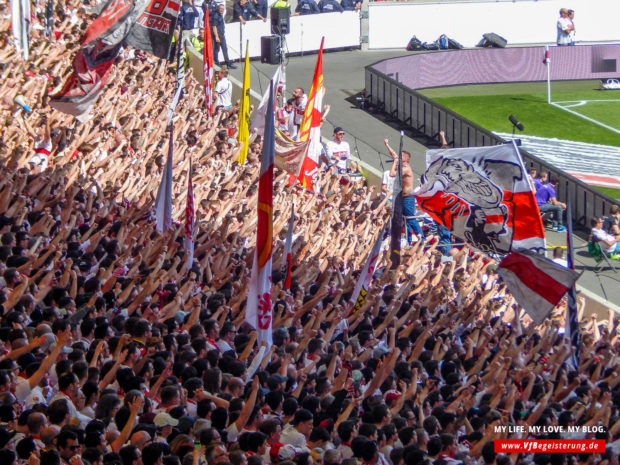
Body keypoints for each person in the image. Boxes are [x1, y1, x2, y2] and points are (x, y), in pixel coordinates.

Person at [384, 138, 424, 243]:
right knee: (406, 220)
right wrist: (387, 145)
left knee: (411, 219)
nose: (398, 157)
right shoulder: (402, 165)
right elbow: (393, 155)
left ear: (406, 159)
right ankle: (409, 240)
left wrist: (395, 162)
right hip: (402, 197)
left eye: (401, 156)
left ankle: (422, 238)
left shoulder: (406, 168)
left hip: (407, 197)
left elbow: (392, 174)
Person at [211, 4, 236, 68]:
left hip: (222, 35)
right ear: (218, 9)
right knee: (217, 50)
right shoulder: (216, 16)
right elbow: (214, 26)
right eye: (220, 8)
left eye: (223, 9)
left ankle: (228, 63)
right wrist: (216, 36)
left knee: (225, 49)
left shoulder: (220, 15)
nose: (222, 10)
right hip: (218, 35)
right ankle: (216, 62)